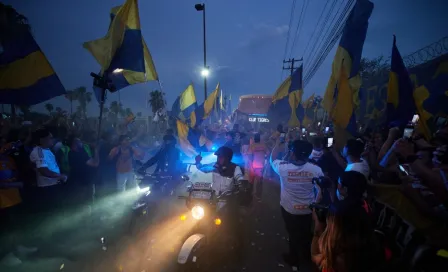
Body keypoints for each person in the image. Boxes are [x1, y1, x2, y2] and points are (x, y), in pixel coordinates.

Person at [270, 139, 324, 268]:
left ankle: (293, 257)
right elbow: (320, 190)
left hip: (289, 210)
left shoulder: (283, 167)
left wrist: (277, 145)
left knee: (292, 232)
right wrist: (314, 205)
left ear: (293, 153)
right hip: (307, 210)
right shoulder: (315, 169)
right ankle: (307, 256)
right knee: (305, 232)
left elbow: (272, 159)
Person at [29, 128, 67, 211]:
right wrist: (60, 176)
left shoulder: (47, 150)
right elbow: (43, 171)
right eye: (50, 138)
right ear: (42, 140)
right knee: (53, 212)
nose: (52, 139)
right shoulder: (39, 152)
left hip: (54, 184)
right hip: (48, 187)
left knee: (59, 210)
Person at [67, 135, 100, 207]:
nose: (82, 143)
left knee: (80, 202)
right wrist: (96, 150)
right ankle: (89, 216)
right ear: (75, 144)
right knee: (87, 202)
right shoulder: (80, 154)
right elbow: (95, 163)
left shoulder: (70, 153)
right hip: (85, 181)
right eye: (79, 142)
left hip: (76, 181)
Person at [246, 133, 269, 199]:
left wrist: (251, 166)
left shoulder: (252, 146)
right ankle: (258, 196)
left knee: (251, 182)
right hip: (261, 166)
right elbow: (268, 154)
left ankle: (249, 195)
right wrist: (265, 162)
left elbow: (249, 157)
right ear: (260, 138)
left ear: (254, 138)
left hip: (253, 166)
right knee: (259, 182)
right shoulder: (263, 145)